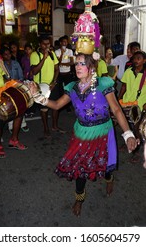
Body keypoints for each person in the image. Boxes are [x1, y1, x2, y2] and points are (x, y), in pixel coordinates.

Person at [30, 52, 139, 216]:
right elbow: (58, 104)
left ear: (91, 67)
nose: (78, 67)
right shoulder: (72, 86)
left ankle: (109, 180)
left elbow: (116, 109)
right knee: (80, 169)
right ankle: (79, 199)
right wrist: (37, 96)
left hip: (103, 132)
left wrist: (128, 134)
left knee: (104, 165)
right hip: (82, 134)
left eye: (82, 64)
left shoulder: (103, 84)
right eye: (77, 64)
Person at [30, 35, 65, 138]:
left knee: (55, 106)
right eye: (44, 44)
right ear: (40, 44)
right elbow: (34, 71)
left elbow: (57, 69)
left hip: (52, 85)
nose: (46, 46)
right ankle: (46, 129)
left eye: (48, 44)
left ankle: (55, 126)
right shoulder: (34, 55)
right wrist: (44, 58)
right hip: (41, 86)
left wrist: (54, 82)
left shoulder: (52, 54)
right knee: (44, 109)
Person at [118, 50, 146, 163]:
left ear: (144, 60)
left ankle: (137, 151)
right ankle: (129, 143)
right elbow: (124, 86)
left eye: (138, 58)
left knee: (137, 128)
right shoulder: (129, 71)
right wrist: (118, 99)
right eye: (134, 58)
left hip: (139, 105)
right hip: (127, 103)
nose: (135, 60)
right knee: (126, 125)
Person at [1, 47, 29, 133]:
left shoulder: (16, 63)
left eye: (9, 53)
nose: (8, 56)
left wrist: (19, 84)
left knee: (21, 105)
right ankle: (11, 126)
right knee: (10, 108)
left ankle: (23, 124)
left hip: (17, 88)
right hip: (7, 90)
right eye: (5, 54)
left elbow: (21, 76)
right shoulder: (1, 65)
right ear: (2, 56)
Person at [55, 36, 74, 112]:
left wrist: (63, 64)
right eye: (63, 42)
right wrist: (62, 54)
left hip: (67, 73)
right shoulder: (57, 52)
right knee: (60, 90)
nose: (64, 43)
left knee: (68, 90)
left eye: (66, 42)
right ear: (60, 43)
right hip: (60, 73)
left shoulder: (70, 51)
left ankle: (68, 106)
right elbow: (57, 63)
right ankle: (60, 105)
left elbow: (72, 62)